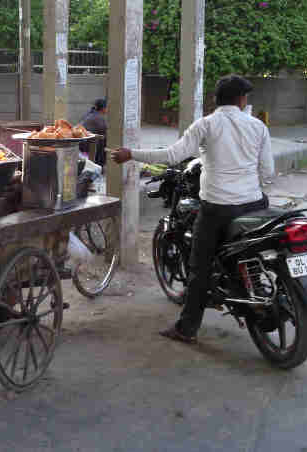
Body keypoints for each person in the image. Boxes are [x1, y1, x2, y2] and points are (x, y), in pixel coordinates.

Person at [111, 75, 274, 344]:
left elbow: (173, 155)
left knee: (199, 269)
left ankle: (187, 329)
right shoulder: (258, 126)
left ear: (216, 99)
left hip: (218, 209)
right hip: (254, 204)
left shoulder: (206, 125)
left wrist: (132, 154)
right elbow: (267, 171)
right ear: (242, 100)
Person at [79, 98, 108, 165]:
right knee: (104, 142)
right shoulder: (98, 118)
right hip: (86, 145)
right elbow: (106, 131)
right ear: (103, 108)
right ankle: (99, 165)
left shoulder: (91, 114)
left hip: (84, 143)